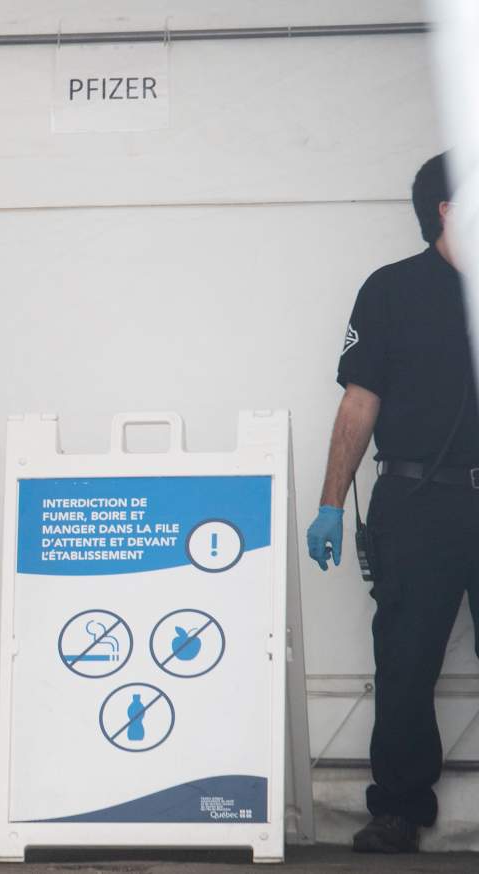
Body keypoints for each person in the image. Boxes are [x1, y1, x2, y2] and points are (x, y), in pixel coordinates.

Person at [307, 152, 478, 855]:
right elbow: (359, 401)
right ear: (445, 208)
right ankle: (398, 810)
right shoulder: (392, 291)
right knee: (405, 662)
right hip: (417, 500)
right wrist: (330, 503)